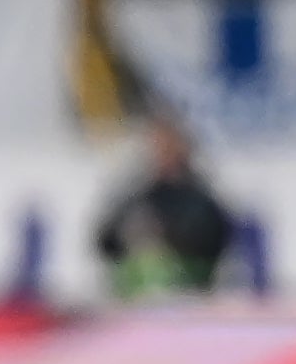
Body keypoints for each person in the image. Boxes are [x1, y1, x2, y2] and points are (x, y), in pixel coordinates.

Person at [98, 109, 239, 296]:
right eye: (158, 144)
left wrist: (166, 237)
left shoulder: (199, 194)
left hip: (189, 289)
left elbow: (214, 238)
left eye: (168, 144)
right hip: (136, 291)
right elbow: (106, 239)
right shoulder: (137, 192)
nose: (162, 150)